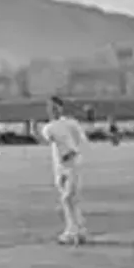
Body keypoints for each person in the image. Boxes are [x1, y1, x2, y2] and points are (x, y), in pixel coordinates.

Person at [40, 96, 89, 244]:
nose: (52, 110)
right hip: (60, 167)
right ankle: (78, 230)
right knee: (70, 200)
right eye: (50, 107)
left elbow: (81, 140)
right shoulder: (49, 127)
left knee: (68, 198)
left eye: (55, 107)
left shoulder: (71, 123)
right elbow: (47, 140)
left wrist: (74, 152)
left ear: (61, 108)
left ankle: (72, 232)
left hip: (73, 164)